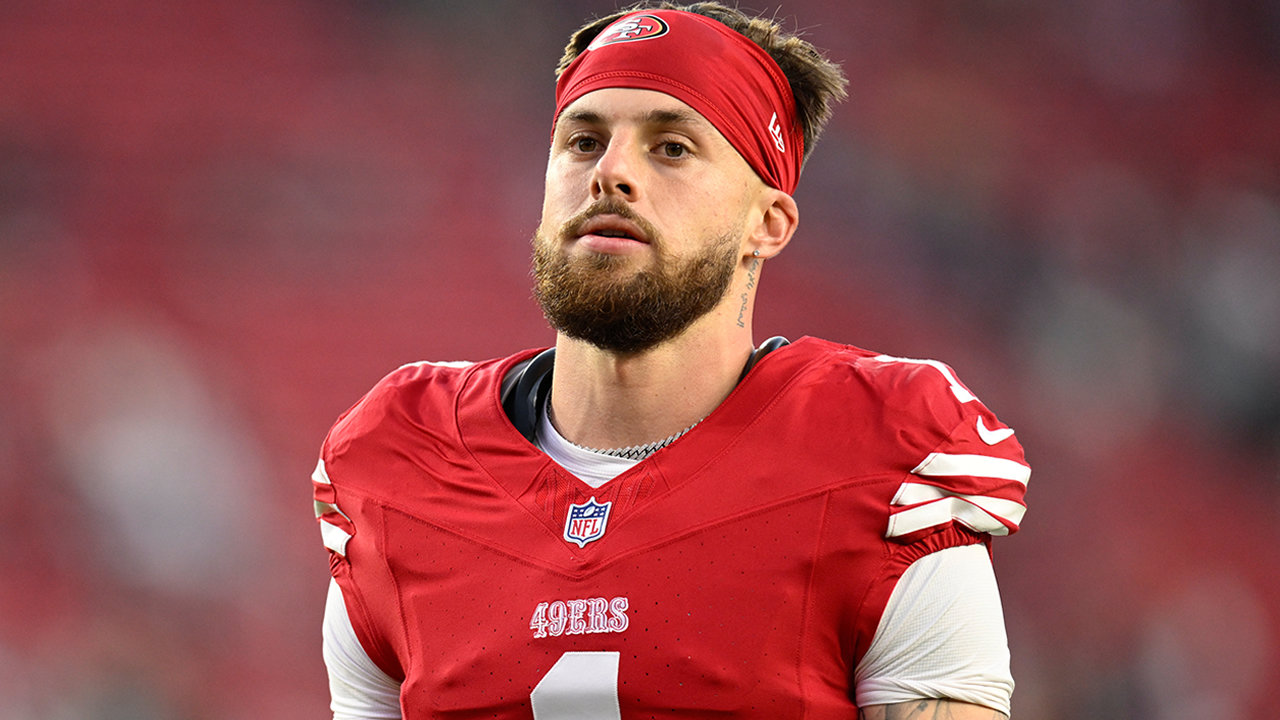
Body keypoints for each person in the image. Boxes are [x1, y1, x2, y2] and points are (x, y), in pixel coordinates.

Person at [312, 3, 1030, 719]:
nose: (611, 172)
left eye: (672, 147)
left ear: (766, 223)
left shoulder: (875, 453)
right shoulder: (402, 458)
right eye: (584, 141)